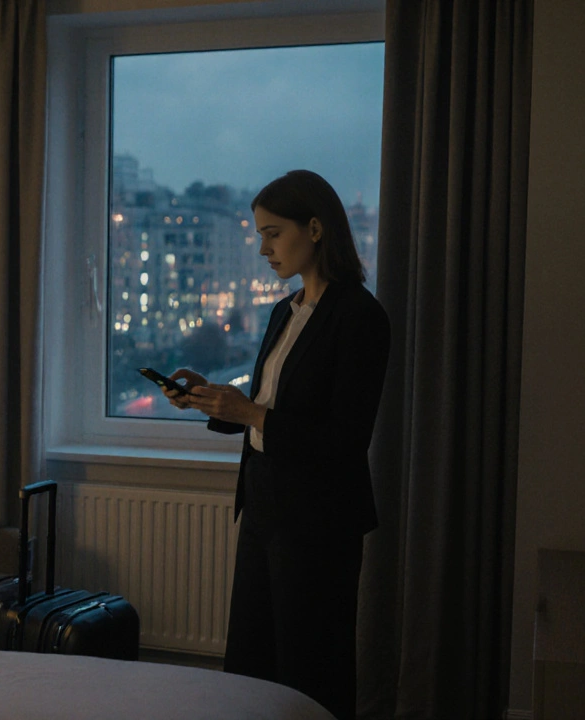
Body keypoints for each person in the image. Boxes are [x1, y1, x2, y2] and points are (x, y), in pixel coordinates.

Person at [161, 169, 390, 720]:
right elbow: (269, 408)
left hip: (319, 521)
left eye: (272, 234)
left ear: (315, 229)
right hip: (263, 506)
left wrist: (250, 412)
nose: (263, 249)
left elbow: (345, 440)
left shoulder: (360, 317)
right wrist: (211, 401)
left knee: (311, 671)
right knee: (251, 663)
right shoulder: (283, 311)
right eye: (260, 235)